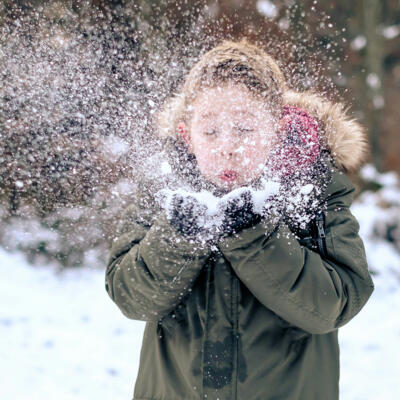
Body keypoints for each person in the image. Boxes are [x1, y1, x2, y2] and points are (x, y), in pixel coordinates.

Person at [105, 39, 375, 400]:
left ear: (277, 131)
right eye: (211, 131)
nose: (227, 146)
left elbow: (335, 304)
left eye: (245, 129)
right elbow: (130, 296)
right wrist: (179, 236)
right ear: (188, 137)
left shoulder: (312, 188)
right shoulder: (166, 191)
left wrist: (254, 234)